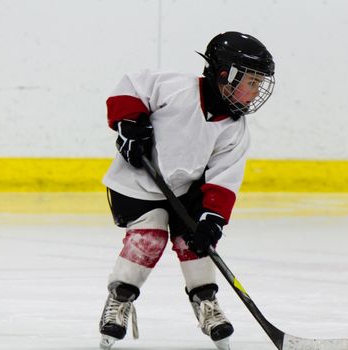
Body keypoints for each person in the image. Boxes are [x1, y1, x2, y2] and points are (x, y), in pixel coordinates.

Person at [98, 31, 275, 350]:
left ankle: (206, 302)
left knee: (196, 239)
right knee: (149, 239)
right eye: (252, 82)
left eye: (259, 84)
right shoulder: (175, 88)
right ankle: (120, 300)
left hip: (184, 191)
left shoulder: (234, 131)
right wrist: (129, 123)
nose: (256, 91)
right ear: (225, 75)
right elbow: (131, 86)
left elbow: (223, 179)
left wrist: (213, 220)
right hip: (135, 184)